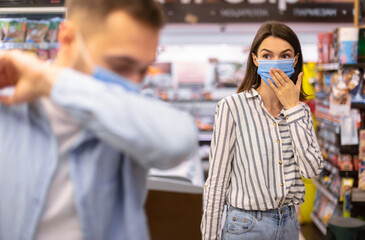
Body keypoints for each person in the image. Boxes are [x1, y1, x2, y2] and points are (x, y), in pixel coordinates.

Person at [0, 0, 198, 239]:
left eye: (143, 70)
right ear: (68, 39)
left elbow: (179, 140)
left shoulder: (131, 111)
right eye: (121, 65)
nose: (134, 81)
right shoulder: (11, 109)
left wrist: (50, 80)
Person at [201, 22, 323, 240]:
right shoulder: (232, 107)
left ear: (295, 60)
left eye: (284, 55)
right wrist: (209, 237)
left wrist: (293, 108)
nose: (275, 63)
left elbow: (311, 171)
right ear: (255, 59)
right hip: (245, 226)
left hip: (289, 224)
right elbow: (217, 181)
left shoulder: (301, 111)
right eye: (267, 56)